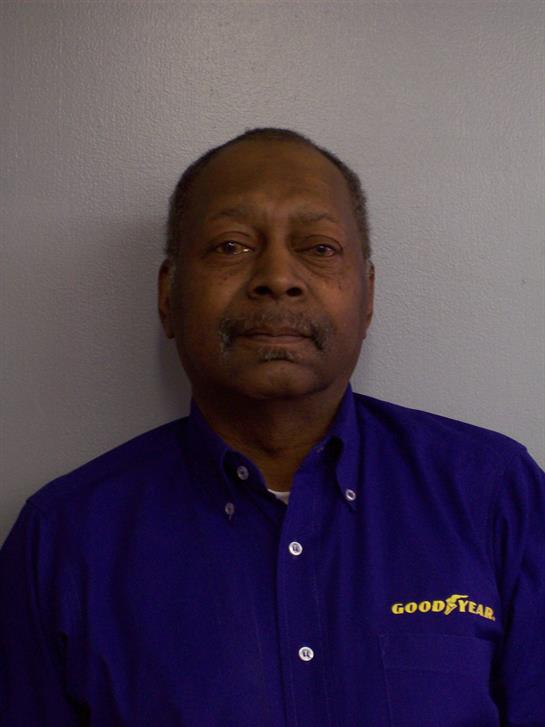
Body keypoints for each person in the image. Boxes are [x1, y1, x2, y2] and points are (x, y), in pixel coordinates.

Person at [0, 127, 543, 727]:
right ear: (167, 296)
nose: (278, 276)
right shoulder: (62, 540)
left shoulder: (495, 494)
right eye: (231, 246)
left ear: (368, 297)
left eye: (319, 248)